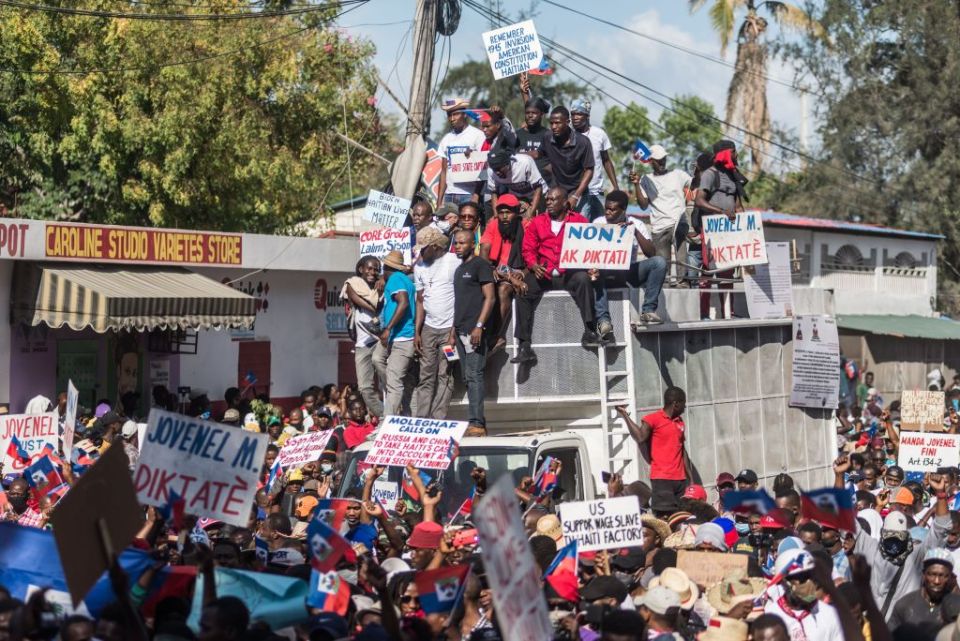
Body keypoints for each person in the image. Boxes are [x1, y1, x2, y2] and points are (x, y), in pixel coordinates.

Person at [512, 186, 600, 365]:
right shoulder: (537, 222)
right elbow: (528, 249)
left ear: (565, 203)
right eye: (548, 199)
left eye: (553, 199)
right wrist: (533, 264)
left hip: (568, 273)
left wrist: (592, 266)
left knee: (583, 280)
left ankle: (589, 331)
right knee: (523, 289)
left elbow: (589, 248)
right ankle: (524, 345)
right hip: (543, 272)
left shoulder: (580, 221)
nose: (549, 203)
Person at [590, 189, 668, 340]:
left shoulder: (636, 223)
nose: (608, 212)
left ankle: (648, 311)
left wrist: (635, 232)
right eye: (606, 208)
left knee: (659, 262)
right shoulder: (598, 223)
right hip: (604, 271)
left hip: (627, 271)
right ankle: (604, 321)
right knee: (595, 273)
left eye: (612, 210)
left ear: (623, 210)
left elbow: (651, 253)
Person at [694, 140, 748, 319]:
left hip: (729, 231)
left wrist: (746, 223)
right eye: (734, 151)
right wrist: (721, 212)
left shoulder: (733, 175)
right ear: (725, 154)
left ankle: (728, 312)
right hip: (712, 230)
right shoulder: (710, 174)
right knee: (709, 270)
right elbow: (699, 201)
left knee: (727, 272)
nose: (737, 155)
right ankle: (703, 313)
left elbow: (738, 204)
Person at [616, 386, 690, 514]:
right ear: (675, 404)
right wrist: (624, 415)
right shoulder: (653, 419)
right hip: (662, 479)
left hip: (680, 480)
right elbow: (640, 437)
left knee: (681, 515)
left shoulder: (680, 422)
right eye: (683, 403)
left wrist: (691, 479)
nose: (685, 407)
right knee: (664, 516)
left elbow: (682, 450)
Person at [412, 227, 460, 419]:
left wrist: (454, 332)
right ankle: (422, 418)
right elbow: (420, 299)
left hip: (449, 327)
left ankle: (438, 417)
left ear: (434, 246)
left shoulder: (453, 262)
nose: (421, 253)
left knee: (445, 374)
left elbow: (460, 298)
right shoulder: (419, 267)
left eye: (424, 249)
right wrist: (417, 331)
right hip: (429, 329)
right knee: (426, 375)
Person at [452, 228, 495, 433]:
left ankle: (477, 422)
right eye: (456, 243)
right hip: (460, 331)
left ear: (472, 244)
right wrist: (453, 330)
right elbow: (460, 302)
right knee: (467, 376)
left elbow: (490, 297)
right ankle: (475, 419)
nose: (458, 246)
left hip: (474, 330)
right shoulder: (459, 269)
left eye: (462, 243)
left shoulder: (480, 265)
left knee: (475, 374)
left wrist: (479, 326)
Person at [631, 145, 692, 282]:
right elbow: (643, 205)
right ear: (651, 161)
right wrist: (636, 185)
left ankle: (683, 283)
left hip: (678, 223)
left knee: (682, 260)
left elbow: (695, 183)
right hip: (659, 226)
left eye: (664, 159)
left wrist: (699, 172)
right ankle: (665, 287)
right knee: (662, 267)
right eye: (659, 160)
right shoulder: (646, 179)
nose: (662, 162)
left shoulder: (678, 174)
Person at [479, 194, 529, 353]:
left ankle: (496, 336)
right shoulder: (493, 224)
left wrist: (522, 274)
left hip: (520, 269)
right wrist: (492, 270)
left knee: (503, 290)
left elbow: (533, 256)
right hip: (496, 269)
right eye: (501, 212)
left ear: (517, 212)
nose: (505, 216)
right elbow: (484, 250)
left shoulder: (526, 226)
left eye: (509, 212)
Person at [372, 250, 417, 417]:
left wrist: (388, 327)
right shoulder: (405, 279)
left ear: (386, 267)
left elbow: (403, 302)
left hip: (401, 337)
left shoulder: (395, 279)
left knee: (394, 382)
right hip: (395, 336)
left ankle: (388, 421)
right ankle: (394, 386)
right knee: (377, 359)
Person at [342, 255, 384, 417]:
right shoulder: (352, 284)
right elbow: (361, 301)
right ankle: (383, 417)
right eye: (369, 268)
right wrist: (375, 304)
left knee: (389, 383)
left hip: (381, 340)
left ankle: (396, 412)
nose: (373, 272)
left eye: (376, 269)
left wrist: (383, 284)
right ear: (361, 269)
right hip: (362, 344)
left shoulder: (383, 286)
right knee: (365, 389)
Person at [888, 549, 960, 640]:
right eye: (932, 574)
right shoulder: (904, 605)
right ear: (924, 574)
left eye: (942, 575)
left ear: (950, 577)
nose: (937, 581)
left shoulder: (955, 607)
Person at [570, 97, 618, 219]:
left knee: (603, 226)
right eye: (573, 114)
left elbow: (606, 160)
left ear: (587, 116)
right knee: (580, 227)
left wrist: (615, 187)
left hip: (598, 192)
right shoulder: (568, 135)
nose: (575, 117)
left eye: (579, 114)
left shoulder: (599, 134)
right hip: (578, 193)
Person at [540, 106, 594, 212]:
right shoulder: (547, 137)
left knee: (578, 226)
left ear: (567, 122)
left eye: (557, 123)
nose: (554, 127)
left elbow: (589, 170)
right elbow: (540, 156)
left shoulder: (583, 142)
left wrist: (576, 196)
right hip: (556, 192)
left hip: (578, 192)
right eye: (551, 123)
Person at [436, 97, 486, 205]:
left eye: (456, 114)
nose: (452, 118)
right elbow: (444, 171)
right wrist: (439, 201)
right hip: (450, 195)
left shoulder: (477, 135)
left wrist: (476, 195)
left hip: (469, 194)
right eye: (449, 115)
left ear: (465, 114)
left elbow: (483, 168)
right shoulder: (446, 139)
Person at [485, 146, 545, 215]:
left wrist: (531, 214)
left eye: (499, 168)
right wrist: (496, 215)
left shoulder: (525, 162)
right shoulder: (491, 171)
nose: (497, 172)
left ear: (507, 163)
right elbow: (494, 192)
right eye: (494, 169)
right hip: (518, 198)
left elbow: (538, 188)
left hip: (539, 195)